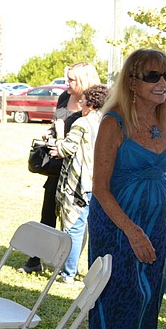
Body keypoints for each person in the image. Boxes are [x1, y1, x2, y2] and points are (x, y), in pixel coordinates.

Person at [87, 49, 166, 329]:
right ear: (133, 82)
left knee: (147, 301)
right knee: (116, 302)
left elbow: (161, 175)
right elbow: (100, 188)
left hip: (153, 226)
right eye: (154, 76)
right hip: (117, 226)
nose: (163, 84)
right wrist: (133, 232)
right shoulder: (114, 122)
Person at [21, 61, 101, 273]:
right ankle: (35, 259)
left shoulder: (97, 103)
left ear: (84, 80)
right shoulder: (65, 98)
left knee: (77, 220)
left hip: (80, 171)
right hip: (57, 166)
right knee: (48, 212)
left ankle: (71, 267)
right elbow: (59, 122)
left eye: (72, 79)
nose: (67, 83)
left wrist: (62, 134)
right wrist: (51, 131)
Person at [51, 84, 109, 284]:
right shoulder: (105, 121)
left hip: (80, 184)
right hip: (101, 184)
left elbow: (66, 149)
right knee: (93, 230)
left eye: (83, 99)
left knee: (74, 227)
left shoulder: (82, 123)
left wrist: (59, 134)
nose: (80, 102)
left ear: (91, 103)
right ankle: (96, 272)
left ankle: (68, 273)